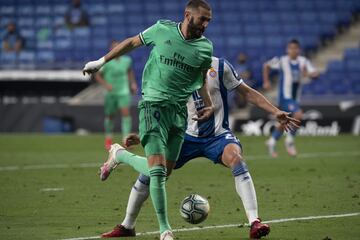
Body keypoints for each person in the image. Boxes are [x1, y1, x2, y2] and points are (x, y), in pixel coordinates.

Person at [100, 57, 300, 239]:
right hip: (185, 136)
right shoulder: (174, 73)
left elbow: (246, 92)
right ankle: (127, 226)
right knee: (153, 171)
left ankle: (254, 222)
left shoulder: (220, 66)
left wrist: (275, 111)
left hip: (218, 135)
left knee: (236, 159)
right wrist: (145, 134)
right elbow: (164, 109)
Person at [83, 1, 215, 239]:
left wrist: (208, 103)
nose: (205, 25)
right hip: (152, 105)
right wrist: (101, 62)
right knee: (156, 172)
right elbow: (132, 42)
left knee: (165, 172)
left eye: (208, 21)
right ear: (187, 15)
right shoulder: (162, 29)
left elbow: (201, 78)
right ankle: (165, 230)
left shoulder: (205, 48)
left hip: (178, 113)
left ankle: (120, 155)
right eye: (202, 19)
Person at [263, 39, 319, 157]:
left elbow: (315, 73)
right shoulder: (282, 60)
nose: (293, 50)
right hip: (284, 97)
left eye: (295, 48)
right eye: (291, 48)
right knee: (298, 114)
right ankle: (290, 141)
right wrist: (266, 81)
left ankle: (271, 142)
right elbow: (266, 65)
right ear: (287, 50)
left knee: (285, 122)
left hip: (295, 98)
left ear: (299, 50)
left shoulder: (303, 62)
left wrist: (310, 74)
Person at [95, 40, 138, 150]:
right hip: (110, 93)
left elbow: (129, 72)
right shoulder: (107, 62)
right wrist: (106, 85)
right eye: (114, 47)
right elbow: (97, 75)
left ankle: (126, 141)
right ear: (111, 49)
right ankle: (108, 139)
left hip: (123, 91)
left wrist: (132, 83)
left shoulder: (126, 60)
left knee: (126, 114)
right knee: (110, 116)